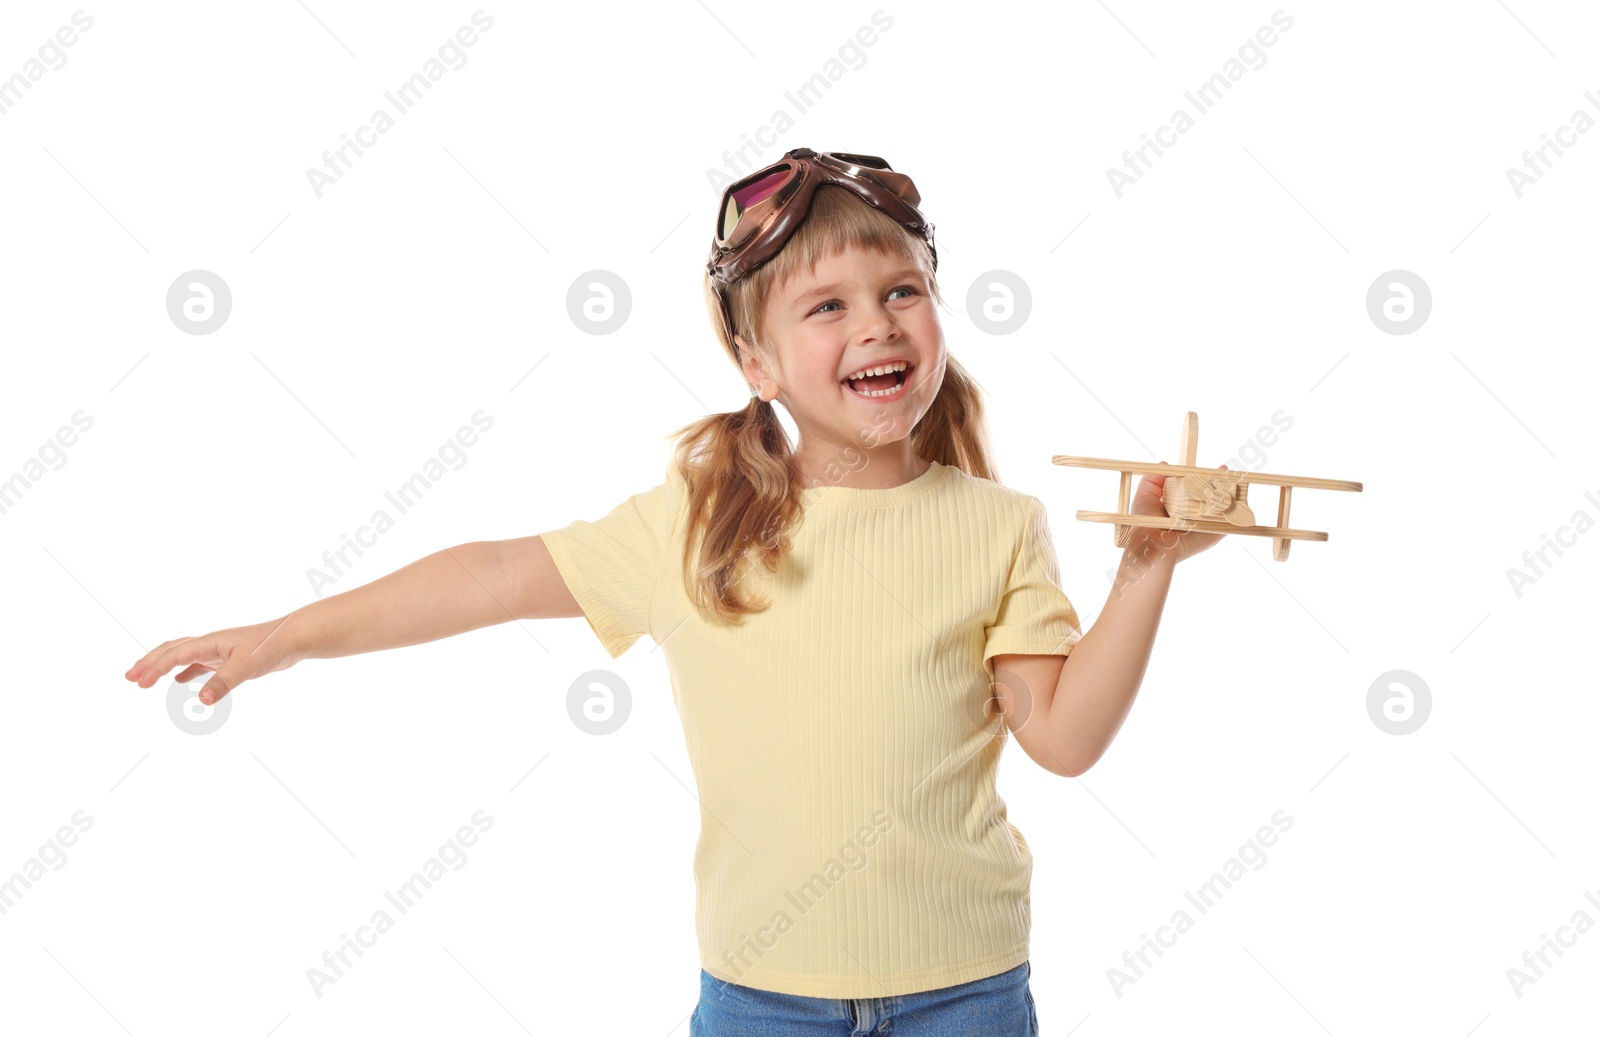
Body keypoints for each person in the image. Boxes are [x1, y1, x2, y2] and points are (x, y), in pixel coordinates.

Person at [124, 148, 1227, 1036]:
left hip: (968, 989)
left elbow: (1065, 737)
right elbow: (497, 574)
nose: (877, 324)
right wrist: (287, 635)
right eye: (826, 306)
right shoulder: (700, 520)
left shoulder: (996, 525)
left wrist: (1143, 569)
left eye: (902, 291)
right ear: (755, 361)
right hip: (761, 995)